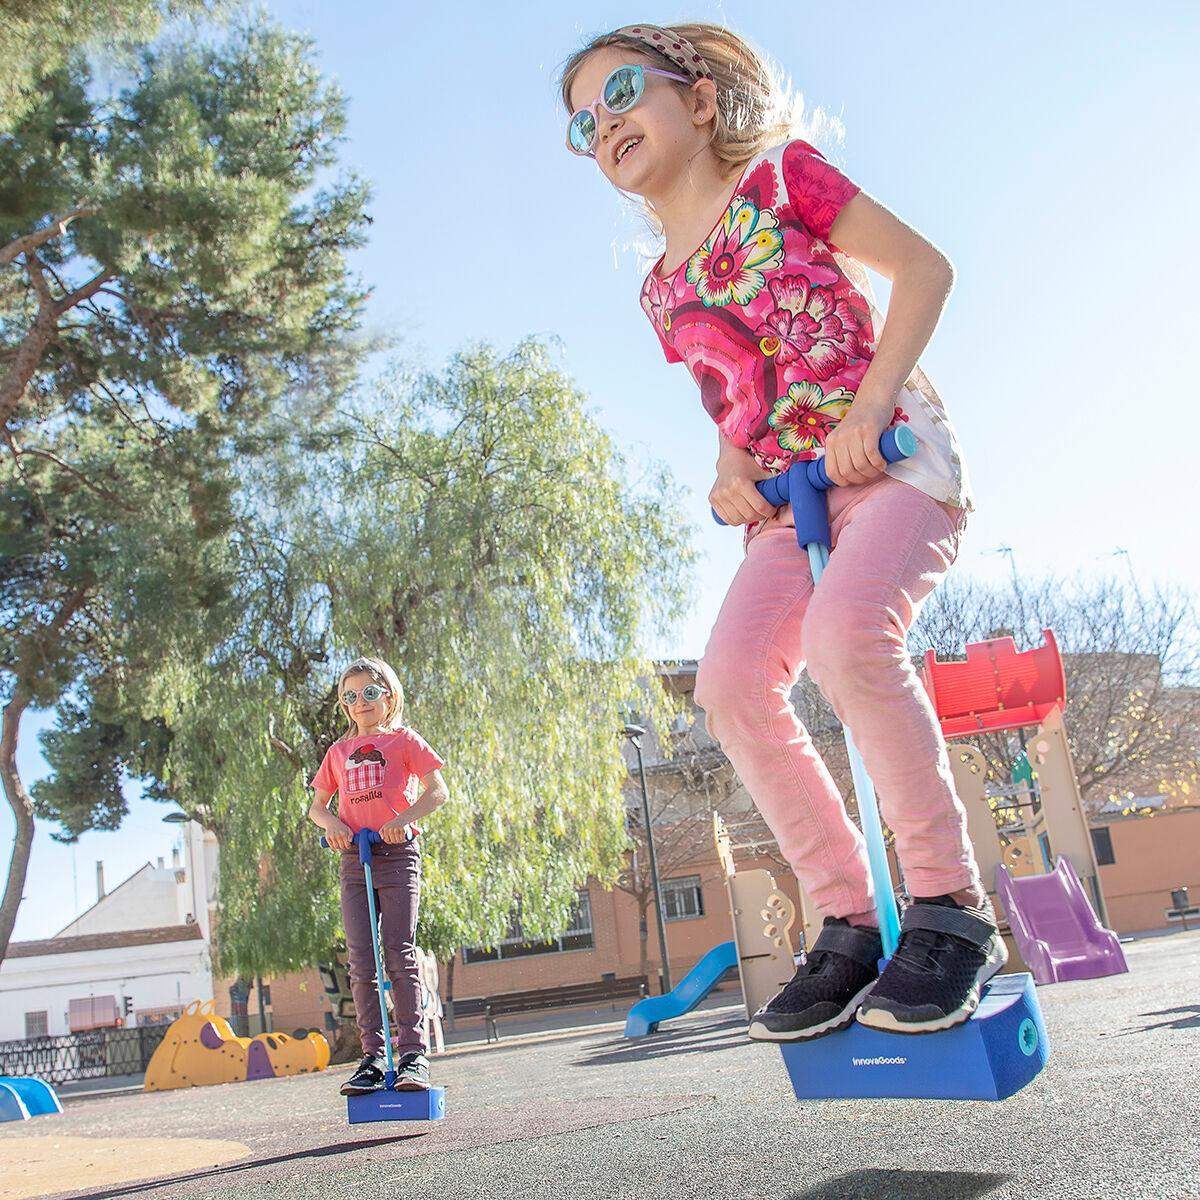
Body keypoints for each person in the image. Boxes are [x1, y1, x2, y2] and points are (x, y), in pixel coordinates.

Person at [559, 23, 1005, 1040]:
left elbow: (924, 270)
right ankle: (848, 920)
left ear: (701, 98)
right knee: (728, 686)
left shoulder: (783, 178)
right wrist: (728, 470)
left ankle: (948, 909)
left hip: (890, 461)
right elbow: (733, 400)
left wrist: (866, 409)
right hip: (788, 501)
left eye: (620, 91)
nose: (604, 123)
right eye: (583, 123)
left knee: (851, 640)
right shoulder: (661, 292)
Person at [308, 656, 448, 1091]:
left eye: (370, 692)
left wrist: (404, 817)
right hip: (355, 858)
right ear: (344, 705)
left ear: (389, 696)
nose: (361, 703)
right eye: (351, 696)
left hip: (396, 853)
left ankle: (412, 1054)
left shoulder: (404, 741)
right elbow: (317, 807)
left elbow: (438, 791)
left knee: (399, 953)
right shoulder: (338, 753)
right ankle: (371, 1056)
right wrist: (332, 824)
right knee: (360, 960)